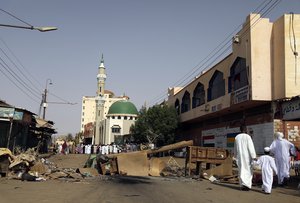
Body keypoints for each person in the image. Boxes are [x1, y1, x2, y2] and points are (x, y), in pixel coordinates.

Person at [234, 125, 257, 191]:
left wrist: (235, 155)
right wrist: (253, 156)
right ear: (245, 130)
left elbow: (235, 148)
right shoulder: (248, 137)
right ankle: (247, 185)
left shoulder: (237, 137)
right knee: (248, 170)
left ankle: (242, 185)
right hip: (247, 157)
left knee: (241, 170)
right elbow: (251, 147)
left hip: (240, 157)